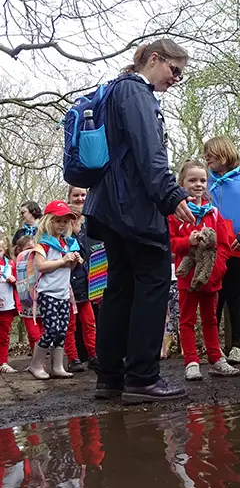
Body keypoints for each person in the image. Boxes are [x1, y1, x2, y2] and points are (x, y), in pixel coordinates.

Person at [84, 39, 194, 403]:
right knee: (152, 283)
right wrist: (170, 195)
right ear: (154, 58)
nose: (176, 78)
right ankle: (143, 378)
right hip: (133, 208)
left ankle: (111, 378)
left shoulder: (114, 92)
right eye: (173, 69)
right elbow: (150, 153)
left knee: (121, 286)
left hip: (110, 208)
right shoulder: (136, 93)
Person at [169, 159, 240, 380]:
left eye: (202, 180)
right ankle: (191, 361)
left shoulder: (214, 213)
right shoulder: (175, 214)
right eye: (192, 180)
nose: (198, 184)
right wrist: (187, 242)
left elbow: (224, 245)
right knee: (187, 320)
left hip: (211, 278)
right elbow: (170, 244)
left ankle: (216, 358)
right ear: (182, 183)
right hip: (186, 277)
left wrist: (216, 270)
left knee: (211, 319)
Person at [204, 137, 240, 365]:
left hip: (239, 247)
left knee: (236, 297)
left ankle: (238, 347)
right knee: (213, 298)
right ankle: (213, 348)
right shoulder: (206, 181)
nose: (206, 158)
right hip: (212, 249)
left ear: (223, 154)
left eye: (210, 154)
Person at [28, 200, 82, 380]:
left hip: (64, 294)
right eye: (58, 220)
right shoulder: (42, 244)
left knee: (62, 330)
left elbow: (70, 268)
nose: (62, 224)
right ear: (49, 221)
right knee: (50, 329)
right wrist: (63, 261)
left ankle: (58, 366)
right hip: (48, 293)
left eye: (66, 221)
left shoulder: (68, 244)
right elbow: (41, 266)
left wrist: (74, 260)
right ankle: (35, 364)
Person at [64, 204, 99, 373]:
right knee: (70, 325)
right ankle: (73, 358)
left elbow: (87, 256)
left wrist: (78, 231)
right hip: (67, 288)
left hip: (84, 286)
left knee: (89, 322)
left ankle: (93, 355)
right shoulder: (61, 239)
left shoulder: (84, 234)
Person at [14, 235, 42, 351]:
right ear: (20, 250)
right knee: (34, 334)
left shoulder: (39, 262)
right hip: (25, 304)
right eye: (28, 248)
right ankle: (38, 363)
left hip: (40, 301)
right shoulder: (14, 265)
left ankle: (39, 362)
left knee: (42, 333)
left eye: (33, 248)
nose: (31, 251)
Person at [0, 236, 18, 373]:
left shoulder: (11, 264)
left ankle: (3, 362)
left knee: (4, 335)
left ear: (4, 249)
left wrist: (14, 280)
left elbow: (20, 283)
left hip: (7, 306)